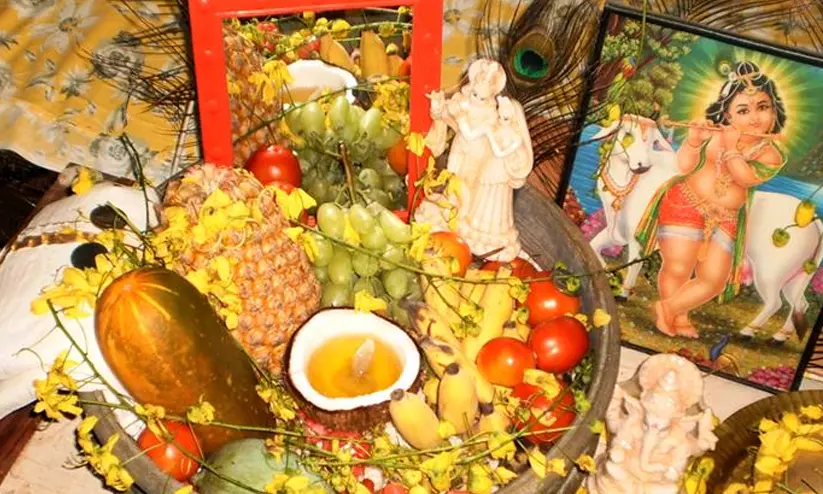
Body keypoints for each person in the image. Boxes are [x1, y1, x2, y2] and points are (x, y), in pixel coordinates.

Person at [636, 61, 788, 338]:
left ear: (774, 109)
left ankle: (668, 308)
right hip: (685, 202)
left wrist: (730, 148)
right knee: (678, 267)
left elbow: (744, 178)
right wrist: (694, 140)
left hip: (726, 219)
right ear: (727, 115)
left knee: (713, 279)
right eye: (743, 110)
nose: (755, 118)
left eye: (763, 107)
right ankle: (679, 318)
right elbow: (684, 166)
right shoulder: (715, 134)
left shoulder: (771, 154)